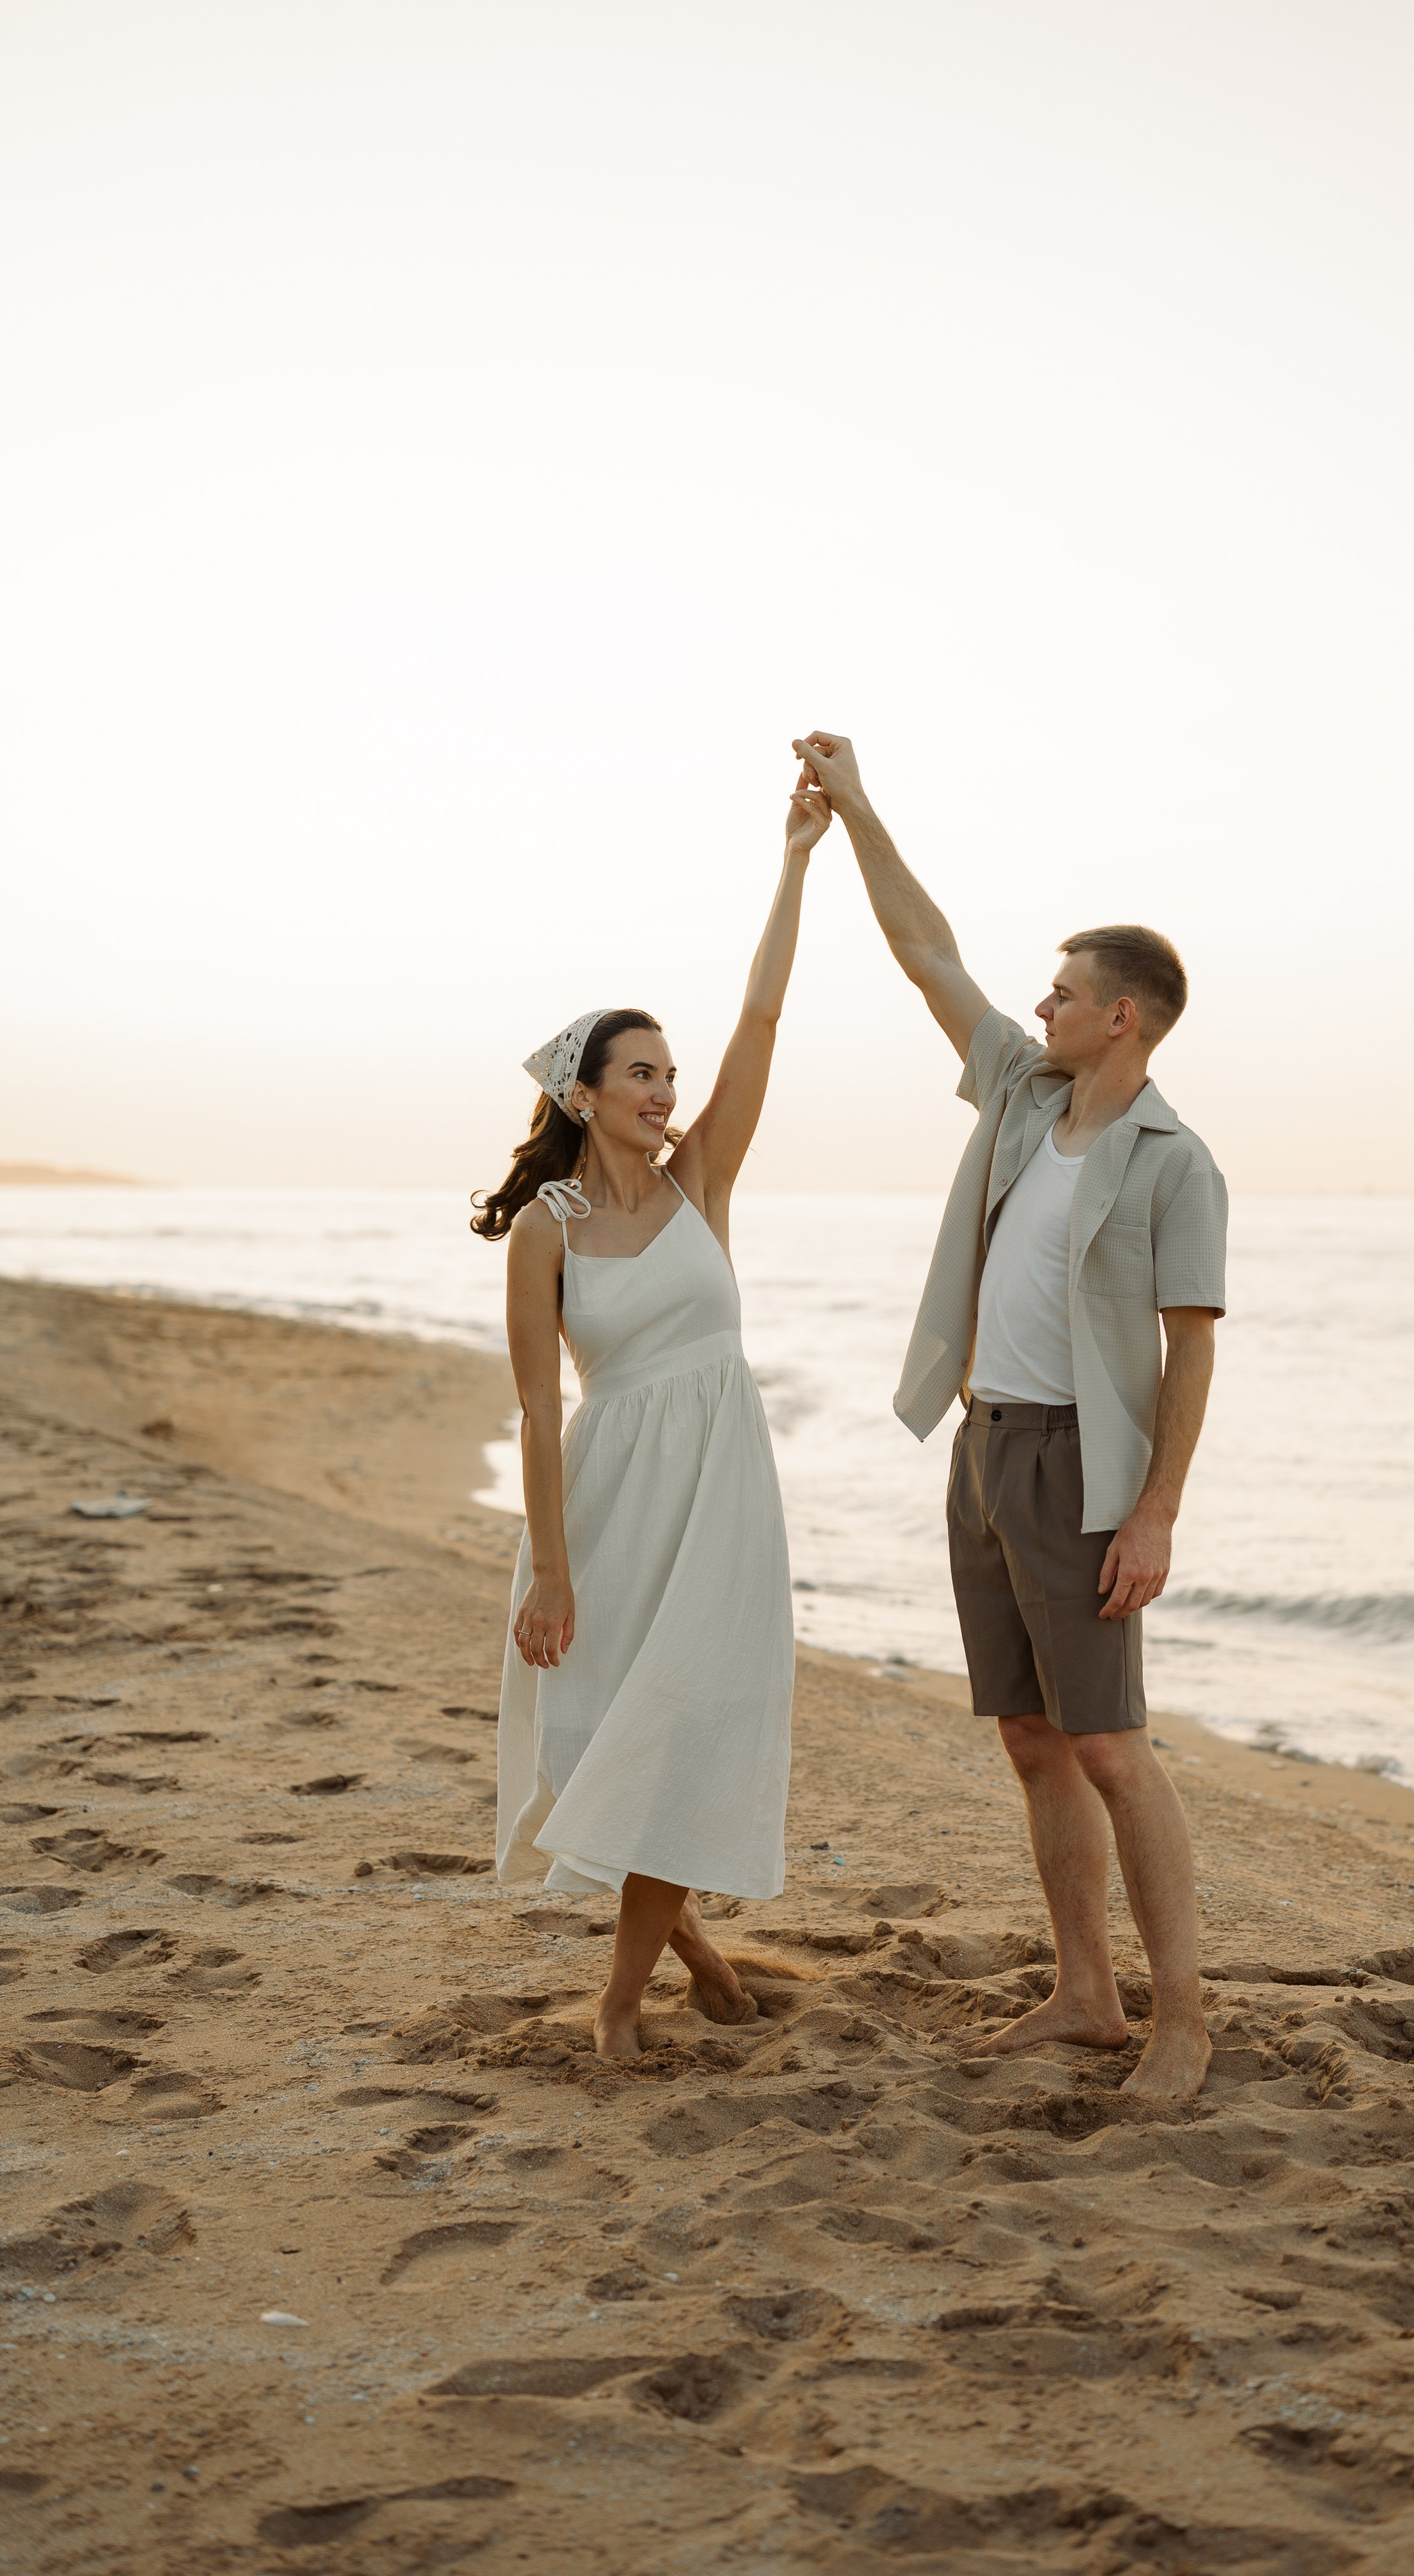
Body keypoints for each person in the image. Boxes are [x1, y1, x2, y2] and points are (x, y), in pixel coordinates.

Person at [792, 731, 1226, 2100]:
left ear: (1124, 1018)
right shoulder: (1020, 1098)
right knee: (1031, 1738)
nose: (1039, 1006)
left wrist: (1153, 1509)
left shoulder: (1174, 1164)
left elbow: (1189, 1345)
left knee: (1108, 1743)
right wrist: (858, 808)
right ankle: (1085, 1995)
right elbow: (929, 954)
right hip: (985, 1444)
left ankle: (1182, 2014)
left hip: (1082, 1466)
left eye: (1064, 994)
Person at [469, 771, 831, 2057]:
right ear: (583, 1094)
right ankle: (691, 1952)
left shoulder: (702, 1186)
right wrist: (550, 1573)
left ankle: (621, 2000)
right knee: (612, 1730)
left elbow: (764, 1016)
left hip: (724, 1495)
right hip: (612, 1497)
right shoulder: (543, 1231)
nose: (666, 1092)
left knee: (692, 1724)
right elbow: (533, 1409)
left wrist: (793, 864)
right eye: (641, 1074)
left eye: (671, 1074)